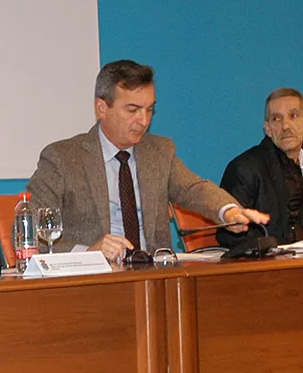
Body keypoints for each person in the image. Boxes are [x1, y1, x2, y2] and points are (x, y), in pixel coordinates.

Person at [27, 60, 269, 263]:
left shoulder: (159, 151)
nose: (143, 120)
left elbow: (193, 189)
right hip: (92, 284)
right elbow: (33, 234)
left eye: (149, 109)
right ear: (102, 108)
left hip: (154, 278)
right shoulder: (62, 158)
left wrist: (229, 211)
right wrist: (89, 253)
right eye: (132, 110)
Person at [215, 87, 303, 249]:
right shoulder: (245, 168)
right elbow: (228, 235)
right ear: (268, 129)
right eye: (276, 119)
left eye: (293, 116)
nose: (285, 126)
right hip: (266, 266)